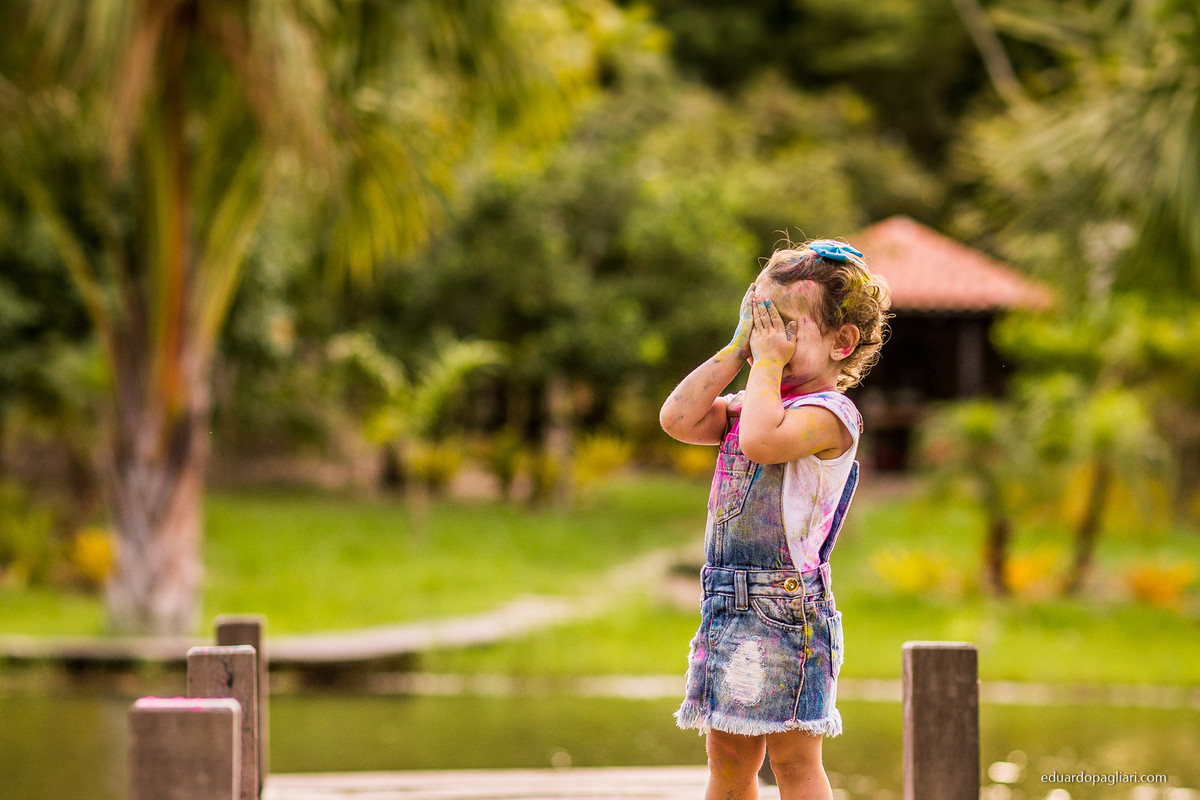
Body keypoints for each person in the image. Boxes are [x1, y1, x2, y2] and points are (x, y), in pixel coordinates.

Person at [659, 239, 890, 800]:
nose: (769, 338)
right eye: (760, 320)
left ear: (842, 342)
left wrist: (765, 363)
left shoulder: (830, 416)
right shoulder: (753, 399)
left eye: (783, 326)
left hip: (788, 608)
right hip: (727, 602)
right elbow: (678, 418)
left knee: (793, 758)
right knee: (727, 755)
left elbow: (763, 442)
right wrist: (740, 348)